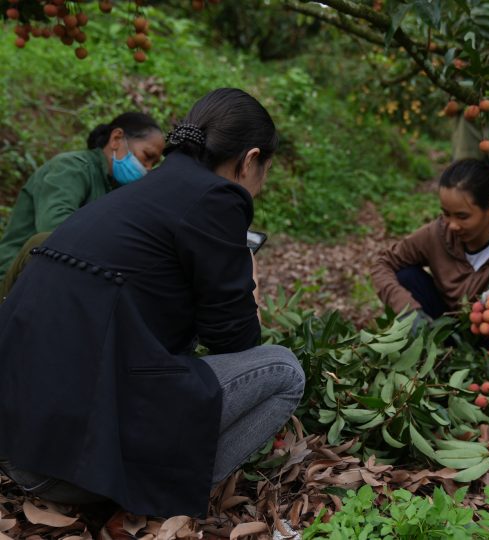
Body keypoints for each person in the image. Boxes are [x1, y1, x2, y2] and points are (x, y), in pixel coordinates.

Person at [0, 88, 305, 533]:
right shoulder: (218, 198)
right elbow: (236, 340)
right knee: (284, 371)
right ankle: (153, 498)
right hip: (62, 471)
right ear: (250, 159)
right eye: (266, 169)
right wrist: (248, 281)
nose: (263, 181)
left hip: (16, 444)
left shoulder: (137, 195)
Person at [371, 158, 489, 363]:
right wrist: (407, 310)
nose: (452, 225)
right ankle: (441, 350)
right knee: (405, 275)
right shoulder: (436, 235)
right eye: (446, 214)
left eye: (462, 216)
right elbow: (383, 263)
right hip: (445, 321)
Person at [0, 112, 165, 292]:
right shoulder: (70, 167)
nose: (148, 169)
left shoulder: (117, 190)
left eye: (154, 165)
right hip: (17, 277)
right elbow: (53, 227)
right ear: (116, 138)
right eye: (147, 156)